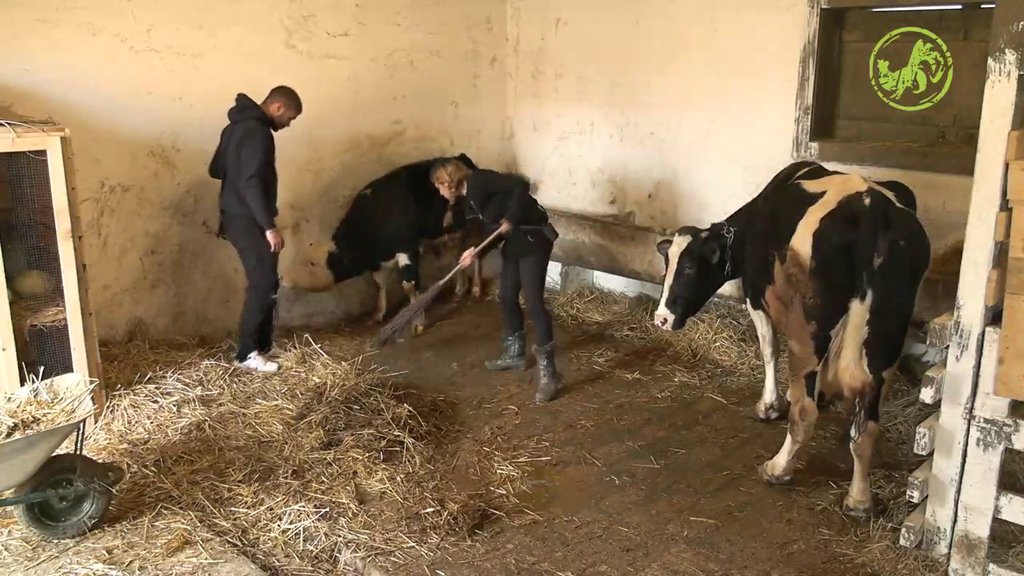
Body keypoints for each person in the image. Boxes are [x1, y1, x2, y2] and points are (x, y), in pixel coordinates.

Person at [429, 158, 564, 402]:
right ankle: (515, 354)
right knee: (506, 295)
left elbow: (521, 185)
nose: (438, 192)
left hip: (533, 239)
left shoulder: (479, 180)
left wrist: (511, 219)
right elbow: (492, 231)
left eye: (438, 186)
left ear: (446, 181)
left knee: (533, 303)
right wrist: (475, 252)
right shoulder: (469, 198)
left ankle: (550, 374)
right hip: (514, 243)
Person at [208, 85, 302, 372]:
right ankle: (247, 353)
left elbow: (215, 170)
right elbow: (250, 182)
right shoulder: (259, 133)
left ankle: (263, 345)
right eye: (290, 118)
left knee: (266, 281)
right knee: (262, 282)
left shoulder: (232, 128)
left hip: (236, 214)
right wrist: (268, 226)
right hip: (249, 218)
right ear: (277, 108)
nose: (287, 125)